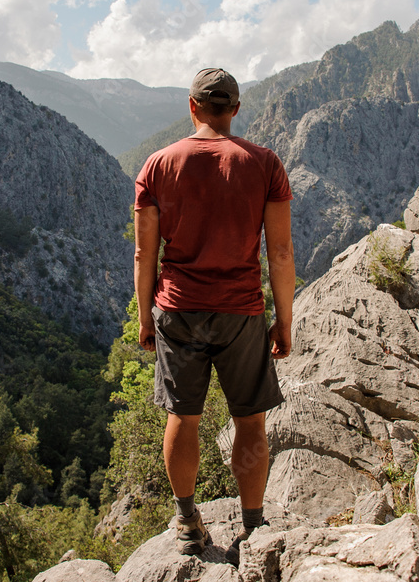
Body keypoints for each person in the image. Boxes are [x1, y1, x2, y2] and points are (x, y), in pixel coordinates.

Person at [133, 67, 295, 566]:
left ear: (192, 106)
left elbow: (145, 255)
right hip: (241, 311)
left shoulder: (158, 165)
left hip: (178, 310)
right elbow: (282, 253)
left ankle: (187, 521)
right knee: (250, 420)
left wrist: (145, 319)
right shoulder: (264, 164)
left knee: (183, 414)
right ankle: (253, 524)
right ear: (236, 110)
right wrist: (284, 319)